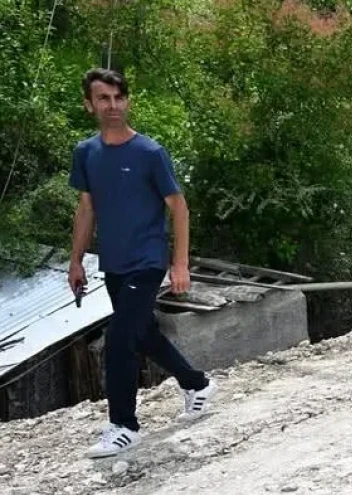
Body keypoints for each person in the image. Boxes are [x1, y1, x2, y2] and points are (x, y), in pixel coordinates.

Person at [68, 68, 218, 458]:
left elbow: (179, 208)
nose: (113, 106)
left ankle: (124, 426)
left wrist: (179, 263)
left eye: (119, 98)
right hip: (114, 265)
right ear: (90, 105)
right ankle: (197, 385)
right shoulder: (86, 153)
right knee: (143, 334)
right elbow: (86, 210)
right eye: (104, 99)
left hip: (147, 261)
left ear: (128, 101)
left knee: (120, 339)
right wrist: (76, 262)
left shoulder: (150, 153)